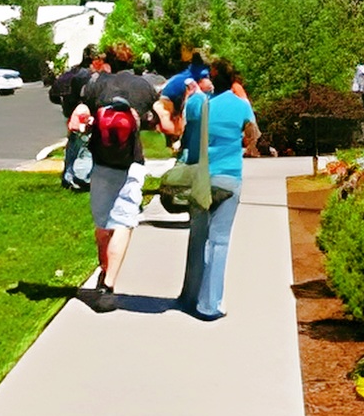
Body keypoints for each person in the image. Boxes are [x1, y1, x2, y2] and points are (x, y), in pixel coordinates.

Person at [68, 43, 158, 311]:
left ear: (107, 61)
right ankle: (108, 287)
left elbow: (78, 116)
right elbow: (159, 120)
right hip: (131, 163)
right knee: (124, 222)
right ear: (133, 61)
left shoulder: (97, 84)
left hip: (102, 163)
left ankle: (103, 270)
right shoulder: (144, 87)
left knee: (103, 223)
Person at [177, 57, 256, 321]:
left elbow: (184, 132)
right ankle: (210, 304)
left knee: (197, 237)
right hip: (229, 177)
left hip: (202, 177)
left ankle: (189, 296)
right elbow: (253, 135)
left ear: (213, 80)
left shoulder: (201, 104)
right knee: (219, 241)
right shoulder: (241, 105)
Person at [56, 46, 103, 191]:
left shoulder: (73, 74)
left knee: (73, 147)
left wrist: (68, 106)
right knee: (85, 148)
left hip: (74, 115)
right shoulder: (91, 76)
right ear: (93, 59)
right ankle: (81, 178)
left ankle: (68, 176)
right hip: (86, 116)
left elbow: (55, 93)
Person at [153, 51, 212, 147]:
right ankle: (176, 140)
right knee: (177, 123)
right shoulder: (196, 75)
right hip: (171, 99)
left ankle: (175, 140)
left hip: (169, 96)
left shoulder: (189, 73)